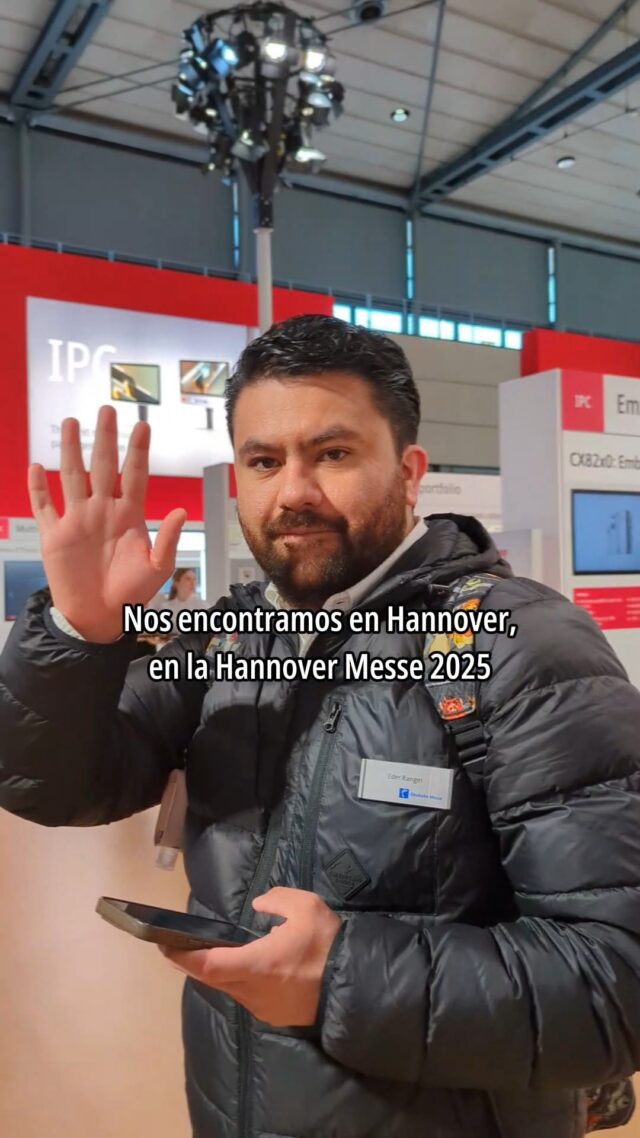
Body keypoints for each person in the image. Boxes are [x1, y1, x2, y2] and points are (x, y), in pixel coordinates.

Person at [1, 314, 639, 1138]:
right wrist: (79, 635)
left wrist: (340, 976)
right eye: (264, 461)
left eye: (332, 454)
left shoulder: (522, 648)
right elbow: (54, 786)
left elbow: (616, 978)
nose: (293, 492)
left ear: (409, 471)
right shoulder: (229, 639)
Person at [149, 567, 201, 637]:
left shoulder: (202, 606)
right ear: (176, 583)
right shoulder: (165, 607)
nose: (192, 583)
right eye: (188, 579)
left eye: (194, 579)